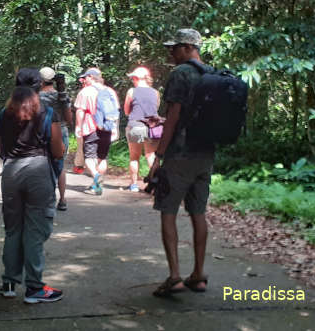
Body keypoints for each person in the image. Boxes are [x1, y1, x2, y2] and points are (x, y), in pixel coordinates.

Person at [147, 28, 215, 296]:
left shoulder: (181, 74)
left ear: (188, 47)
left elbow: (174, 116)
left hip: (180, 155)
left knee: (168, 211)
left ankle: (174, 276)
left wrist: (159, 156)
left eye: (174, 47)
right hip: (206, 154)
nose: (171, 52)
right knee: (198, 213)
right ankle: (198, 274)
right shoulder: (212, 73)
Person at [0, 69, 65, 304]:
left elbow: (1, 151)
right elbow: (57, 152)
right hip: (38, 170)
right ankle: (35, 288)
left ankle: (9, 283)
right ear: (39, 87)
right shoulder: (47, 113)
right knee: (35, 230)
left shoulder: (5, 114)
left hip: (11, 171)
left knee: (13, 228)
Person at [73, 67, 119, 195]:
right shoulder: (110, 91)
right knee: (102, 157)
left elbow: (80, 110)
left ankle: (96, 177)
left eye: (86, 77)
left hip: (90, 128)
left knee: (89, 157)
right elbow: (115, 112)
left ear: (91, 77)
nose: (84, 79)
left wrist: (78, 126)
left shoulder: (85, 91)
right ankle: (96, 183)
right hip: (106, 128)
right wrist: (114, 128)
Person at [39, 67, 72, 211]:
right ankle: (63, 199)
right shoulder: (62, 96)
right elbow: (69, 119)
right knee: (60, 166)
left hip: (42, 132)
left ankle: (46, 199)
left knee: (44, 166)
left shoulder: (36, 97)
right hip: (61, 131)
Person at [123, 66, 160, 192]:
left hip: (136, 125)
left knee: (134, 157)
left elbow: (127, 111)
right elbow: (156, 109)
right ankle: (156, 185)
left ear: (137, 78)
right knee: (151, 156)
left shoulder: (132, 92)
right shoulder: (155, 92)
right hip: (152, 127)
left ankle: (134, 184)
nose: (132, 80)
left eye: (133, 78)